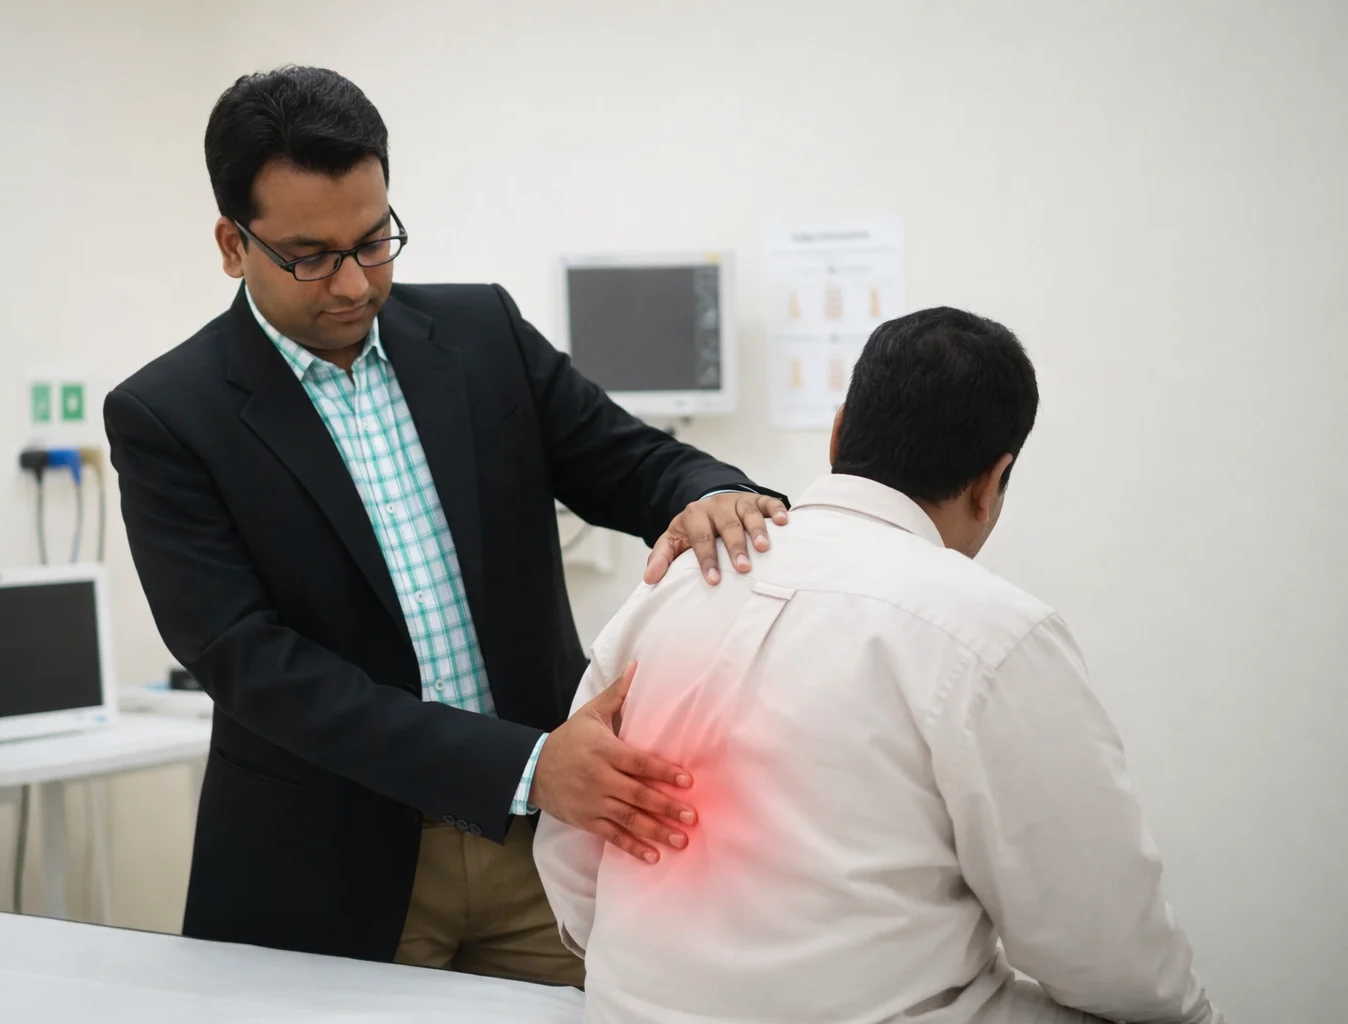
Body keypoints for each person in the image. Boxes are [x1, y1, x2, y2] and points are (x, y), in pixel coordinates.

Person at [103, 65, 786, 987]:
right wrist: (527, 764)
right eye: (311, 255)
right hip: (329, 868)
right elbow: (254, 665)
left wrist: (713, 490)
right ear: (233, 243)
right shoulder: (169, 415)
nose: (352, 282)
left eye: (374, 240)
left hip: (543, 854)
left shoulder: (480, 333)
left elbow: (632, 461)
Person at [534, 307, 1224, 1023]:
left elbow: (570, 855)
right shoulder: (989, 634)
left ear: (837, 433)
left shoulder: (670, 586)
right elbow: (1103, 942)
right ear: (994, 480)